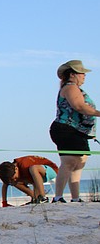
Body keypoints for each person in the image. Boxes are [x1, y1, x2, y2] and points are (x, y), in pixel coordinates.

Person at [49, 60, 99, 203]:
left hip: (78, 131)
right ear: (72, 74)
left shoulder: (74, 88)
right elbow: (79, 106)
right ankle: (58, 197)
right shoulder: (70, 88)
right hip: (66, 129)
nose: (84, 76)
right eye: (82, 73)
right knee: (69, 162)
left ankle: (75, 198)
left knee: (79, 162)